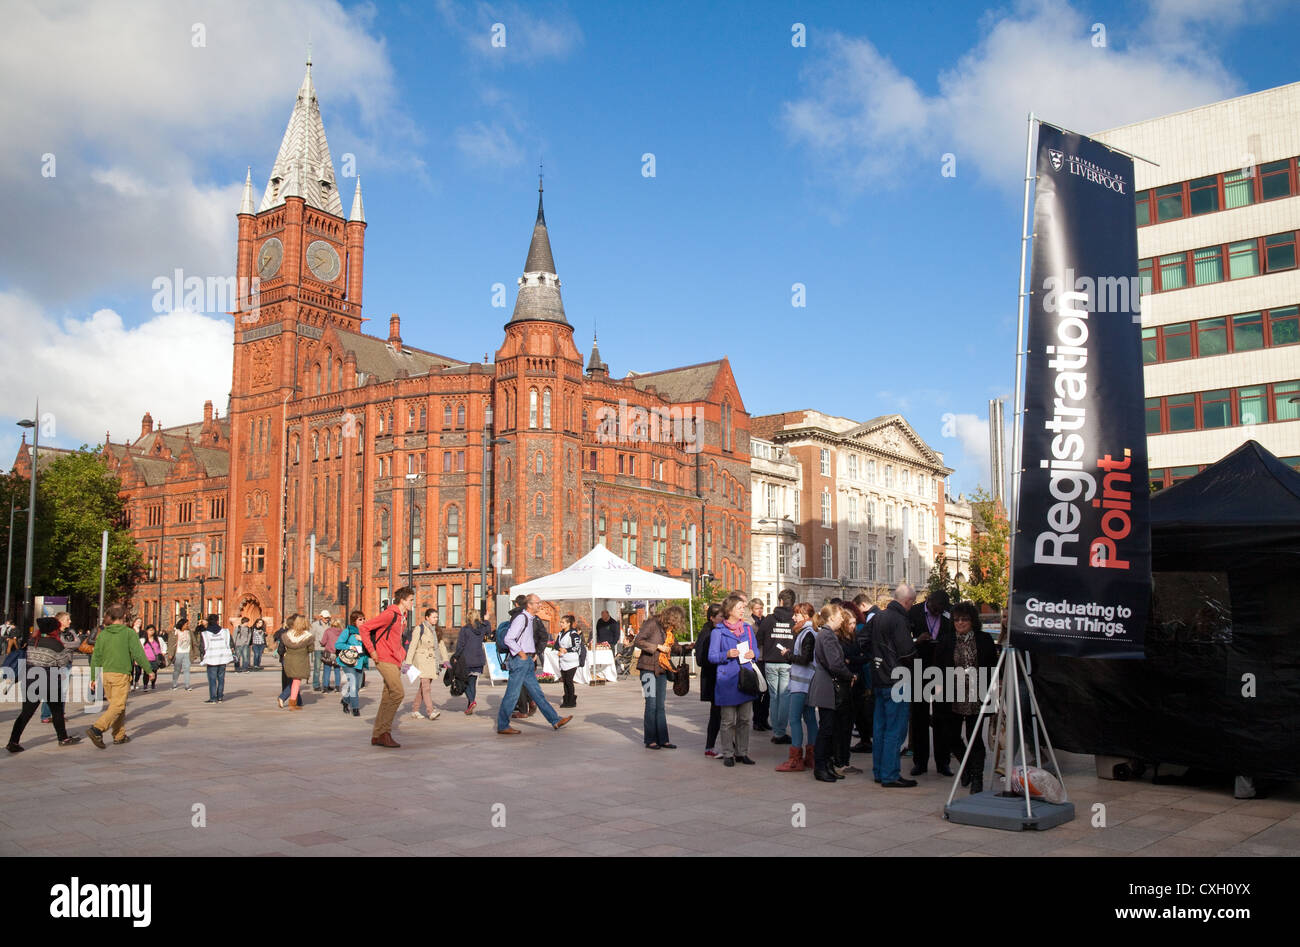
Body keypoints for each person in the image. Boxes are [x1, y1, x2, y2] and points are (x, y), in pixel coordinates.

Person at [933, 601, 996, 794]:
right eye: (957, 619)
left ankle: (977, 778)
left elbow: (993, 665)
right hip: (952, 694)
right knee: (950, 736)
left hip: (977, 694)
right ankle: (966, 767)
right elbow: (937, 666)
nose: (960, 623)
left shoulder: (984, 639)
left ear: (972, 621)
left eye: (965, 619)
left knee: (974, 737)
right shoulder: (946, 640)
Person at [495, 594, 572, 735]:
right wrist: (521, 654)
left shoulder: (531, 619)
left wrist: (532, 654)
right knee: (512, 694)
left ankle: (555, 720)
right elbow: (508, 639)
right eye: (537, 603)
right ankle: (502, 725)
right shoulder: (521, 618)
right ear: (529, 605)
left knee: (537, 694)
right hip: (520, 661)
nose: (540, 605)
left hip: (528, 661)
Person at [7, 616, 80, 751]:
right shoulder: (56, 644)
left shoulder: (32, 641)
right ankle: (63, 738)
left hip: (31, 680)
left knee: (26, 713)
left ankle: (13, 741)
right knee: (57, 711)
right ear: (54, 630)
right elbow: (63, 663)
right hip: (49, 680)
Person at [871, 584, 919, 787]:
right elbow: (907, 652)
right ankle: (890, 774)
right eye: (913, 603)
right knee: (895, 729)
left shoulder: (878, 616)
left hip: (879, 678)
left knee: (880, 727)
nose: (912, 606)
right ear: (907, 601)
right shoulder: (899, 619)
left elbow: (863, 641)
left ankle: (880, 771)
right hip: (896, 679)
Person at [86, 602, 153, 748]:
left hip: (106, 674)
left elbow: (96, 656)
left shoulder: (103, 634)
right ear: (124, 616)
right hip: (121, 673)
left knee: (116, 706)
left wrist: (93, 677)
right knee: (118, 705)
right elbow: (138, 653)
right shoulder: (129, 633)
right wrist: (149, 670)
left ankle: (119, 735)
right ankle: (97, 728)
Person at [358, 588, 415, 748]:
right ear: (402, 600)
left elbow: (396, 639)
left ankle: (377, 735)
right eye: (411, 600)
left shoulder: (401, 617)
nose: (412, 603)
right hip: (384, 658)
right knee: (398, 693)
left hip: (395, 659)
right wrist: (372, 651)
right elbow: (364, 628)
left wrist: (401, 654)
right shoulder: (390, 614)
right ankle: (385, 732)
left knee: (388, 696)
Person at [708, 593, 759, 767]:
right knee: (728, 720)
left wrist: (754, 654)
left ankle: (742, 752)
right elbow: (712, 656)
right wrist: (726, 654)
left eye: (743, 608)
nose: (742, 610)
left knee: (745, 719)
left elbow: (756, 651)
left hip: (746, 678)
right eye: (739, 608)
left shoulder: (747, 629)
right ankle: (728, 752)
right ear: (730, 610)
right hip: (727, 680)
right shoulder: (718, 632)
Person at [907, 590, 954, 777]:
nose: (938, 611)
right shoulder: (914, 612)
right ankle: (920, 762)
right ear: (928, 601)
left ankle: (943, 763)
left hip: (943, 670)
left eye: (941, 609)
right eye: (935, 608)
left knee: (943, 716)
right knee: (919, 717)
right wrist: (917, 641)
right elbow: (904, 640)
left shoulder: (949, 613)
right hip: (920, 668)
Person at [807, 604, 855, 782]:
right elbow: (834, 663)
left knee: (830, 727)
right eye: (840, 616)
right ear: (832, 618)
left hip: (828, 683)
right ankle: (820, 767)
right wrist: (849, 675)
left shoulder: (826, 634)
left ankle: (826, 765)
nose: (843, 619)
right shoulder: (827, 635)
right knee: (827, 728)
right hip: (827, 684)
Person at [633, 604, 687, 748]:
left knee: (660, 706)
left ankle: (663, 739)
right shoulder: (652, 623)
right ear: (670, 617)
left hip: (662, 669)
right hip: (647, 668)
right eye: (675, 621)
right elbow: (638, 641)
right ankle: (650, 739)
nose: (675, 625)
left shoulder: (667, 629)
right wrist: (656, 647)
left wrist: (685, 648)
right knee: (651, 704)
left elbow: (673, 646)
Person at [777, 603, 818, 772]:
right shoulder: (811, 632)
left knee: (794, 719)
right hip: (808, 682)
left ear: (805, 616)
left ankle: (796, 759)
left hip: (801, 684)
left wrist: (788, 655)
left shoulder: (807, 633)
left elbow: (805, 658)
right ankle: (812, 756)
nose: (793, 617)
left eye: (796, 615)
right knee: (809, 718)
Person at [756, 589, 796, 745]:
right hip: (787, 661)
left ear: (780, 601)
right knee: (785, 696)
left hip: (771, 661)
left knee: (774, 696)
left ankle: (777, 731)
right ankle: (781, 731)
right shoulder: (794, 620)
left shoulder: (769, 619)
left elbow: (759, 638)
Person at [694, 603, 724, 756]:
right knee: (717, 713)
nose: (723, 619)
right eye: (720, 616)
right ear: (712, 618)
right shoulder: (707, 633)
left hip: (719, 678)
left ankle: (724, 745)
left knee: (721, 713)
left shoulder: (719, 631)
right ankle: (710, 746)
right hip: (713, 678)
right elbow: (700, 659)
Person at [405, 608, 446, 721]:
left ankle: (415, 709)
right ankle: (430, 711)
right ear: (427, 617)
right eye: (433, 617)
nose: (435, 619)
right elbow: (412, 646)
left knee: (423, 687)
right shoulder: (420, 629)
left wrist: (446, 660)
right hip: (422, 659)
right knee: (426, 687)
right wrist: (408, 663)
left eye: (437, 617)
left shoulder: (437, 630)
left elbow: (441, 645)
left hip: (433, 661)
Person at [454, 608, 489, 714]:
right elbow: (489, 631)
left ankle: (472, 701)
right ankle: (469, 706)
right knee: (472, 683)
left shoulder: (465, 629)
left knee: (463, 682)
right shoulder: (482, 628)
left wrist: (456, 656)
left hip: (467, 659)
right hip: (478, 659)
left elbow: (461, 645)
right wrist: (486, 620)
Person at [335, 611, 368, 717]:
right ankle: (355, 708)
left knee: (357, 686)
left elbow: (370, 644)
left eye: (363, 618)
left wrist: (362, 639)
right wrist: (350, 647)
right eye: (360, 619)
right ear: (354, 621)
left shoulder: (365, 631)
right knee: (353, 685)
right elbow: (338, 644)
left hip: (360, 662)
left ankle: (345, 700)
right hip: (348, 662)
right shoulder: (348, 631)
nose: (363, 621)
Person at [278, 615, 313, 710]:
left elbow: (282, 647)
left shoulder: (287, 634)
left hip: (288, 659)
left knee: (294, 681)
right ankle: (286, 699)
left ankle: (295, 702)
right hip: (300, 660)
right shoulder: (307, 636)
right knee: (296, 681)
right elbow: (311, 649)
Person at [199, 614, 234, 703]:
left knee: (212, 679)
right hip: (223, 658)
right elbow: (231, 643)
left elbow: (202, 647)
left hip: (211, 659)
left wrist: (203, 656)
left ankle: (213, 698)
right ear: (217, 621)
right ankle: (220, 697)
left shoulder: (205, 634)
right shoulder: (225, 632)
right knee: (221, 678)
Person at [748, 597, 771, 732]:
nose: (760, 611)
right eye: (757, 608)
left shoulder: (765, 621)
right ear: (752, 609)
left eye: (761, 608)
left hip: (766, 658)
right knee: (758, 691)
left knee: (767, 692)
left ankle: (764, 719)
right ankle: (757, 720)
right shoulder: (750, 623)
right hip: (757, 659)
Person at [555, 614, 584, 709]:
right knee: (565, 681)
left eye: (563, 622)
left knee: (569, 680)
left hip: (572, 661)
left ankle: (571, 700)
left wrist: (566, 649)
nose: (561, 624)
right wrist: (560, 649)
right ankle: (566, 699)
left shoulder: (573, 634)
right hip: (563, 660)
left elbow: (577, 646)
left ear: (568, 624)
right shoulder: (560, 634)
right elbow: (556, 645)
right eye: (561, 622)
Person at [168, 617, 198, 690]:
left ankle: (187, 686)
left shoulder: (189, 632)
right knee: (177, 670)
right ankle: (174, 684)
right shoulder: (174, 632)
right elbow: (171, 644)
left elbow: (194, 643)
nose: (187, 625)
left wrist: (195, 653)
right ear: (182, 625)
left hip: (187, 653)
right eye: (186, 624)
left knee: (187, 669)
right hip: (178, 653)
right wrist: (170, 653)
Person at [309, 610, 330, 691]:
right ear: (321, 617)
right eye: (325, 618)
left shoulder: (330, 625)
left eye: (328, 618)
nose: (327, 619)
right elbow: (311, 636)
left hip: (327, 649)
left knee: (327, 668)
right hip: (318, 649)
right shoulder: (314, 625)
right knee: (317, 667)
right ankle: (316, 684)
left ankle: (326, 684)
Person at [139, 624, 164, 691]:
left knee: (154, 672)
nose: (151, 632)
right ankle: (145, 685)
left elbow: (162, 647)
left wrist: (162, 654)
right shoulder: (143, 640)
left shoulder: (158, 639)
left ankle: (153, 684)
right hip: (146, 659)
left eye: (153, 630)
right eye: (150, 630)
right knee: (146, 672)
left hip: (155, 659)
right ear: (146, 631)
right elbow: (140, 649)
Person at [320, 619, 342, 692]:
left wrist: (322, 643)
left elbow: (323, 642)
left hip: (328, 653)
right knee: (337, 670)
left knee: (327, 670)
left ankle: (325, 688)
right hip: (338, 653)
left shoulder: (328, 631)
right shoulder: (342, 632)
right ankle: (337, 687)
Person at [129, 617, 147, 690]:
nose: (139, 623)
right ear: (134, 622)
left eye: (140, 622)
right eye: (137, 621)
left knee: (138, 670)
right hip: (131, 652)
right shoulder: (130, 631)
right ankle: (131, 683)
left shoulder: (143, 632)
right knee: (131, 669)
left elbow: (145, 642)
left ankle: (136, 681)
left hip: (140, 652)